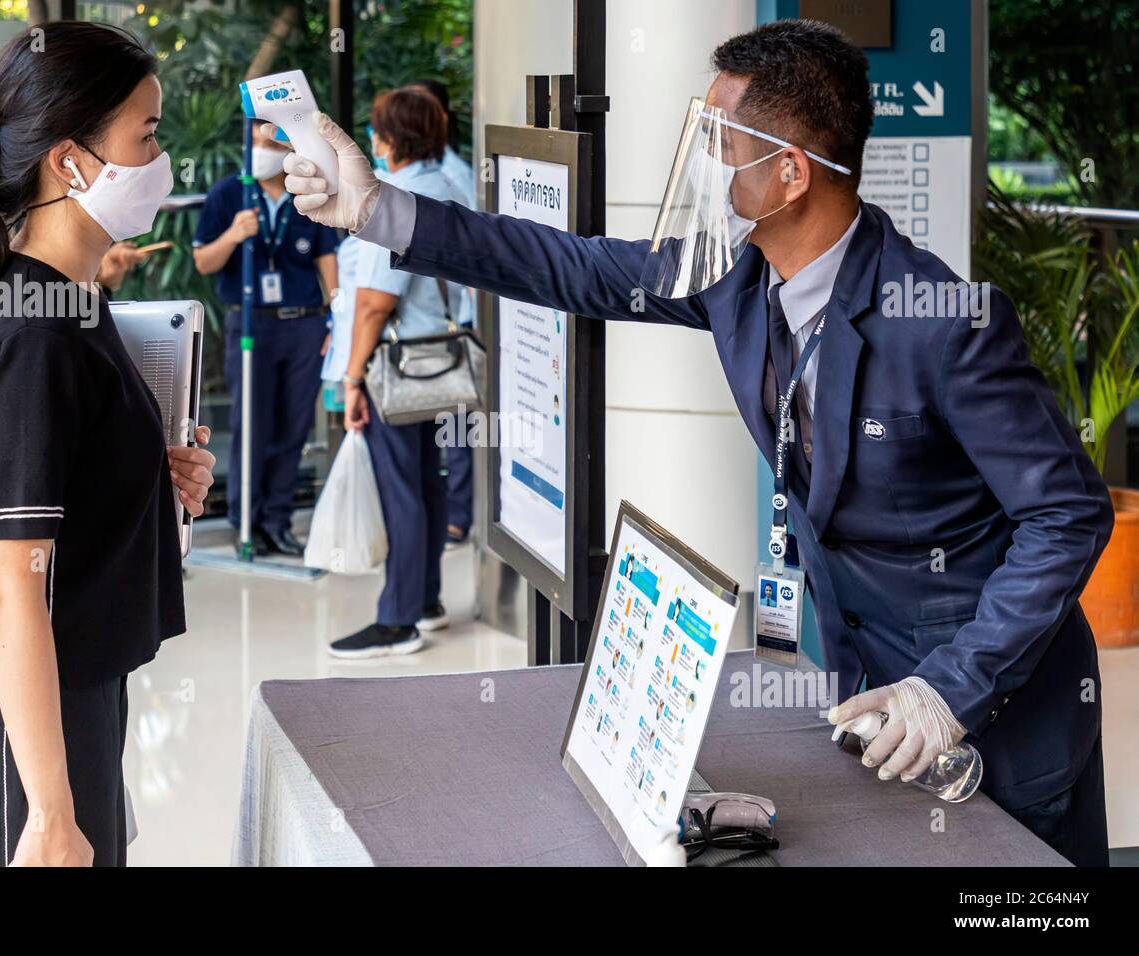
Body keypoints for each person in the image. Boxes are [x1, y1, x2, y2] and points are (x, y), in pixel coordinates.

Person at [284, 20, 1115, 866]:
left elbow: (1070, 516)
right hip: (867, 696)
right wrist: (379, 211)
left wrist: (951, 687)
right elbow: (571, 266)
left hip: (1002, 711)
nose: (704, 160)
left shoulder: (943, 324)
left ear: (791, 173)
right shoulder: (735, 278)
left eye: (721, 139)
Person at [0, 22, 216, 866]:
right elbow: (10, 583)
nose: (161, 156)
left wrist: (152, 482)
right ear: (70, 161)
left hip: (56, 701)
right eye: (145, 135)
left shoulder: (68, 300)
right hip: (13, 735)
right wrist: (46, 812)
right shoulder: (32, 332)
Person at [327, 86, 467, 659]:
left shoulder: (398, 198)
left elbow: (374, 302)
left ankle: (398, 618)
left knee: (401, 489)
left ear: (390, 138)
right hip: (439, 358)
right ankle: (426, 598)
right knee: (428, 484)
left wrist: (352, 376)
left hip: (396, 362)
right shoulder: (445, 184)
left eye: (377, 131)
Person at [193, 123, 339, 556]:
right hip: (252, 324)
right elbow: (203, 261)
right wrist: (235, 235)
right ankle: (245, 522)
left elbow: (326, 257)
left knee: (294, 425)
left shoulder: (307, 194)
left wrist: (334, 320)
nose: (262, 150)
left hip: (303, 323)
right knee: (250, 425)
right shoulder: (228, 194)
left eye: (271, 143)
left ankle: (278, 520)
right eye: (255, 142)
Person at [414, 78, 476, 546]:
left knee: (455, 422)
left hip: (455, 316)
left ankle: (457, 515)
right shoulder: (411, 173)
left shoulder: (454, 174)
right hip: (430, 319)